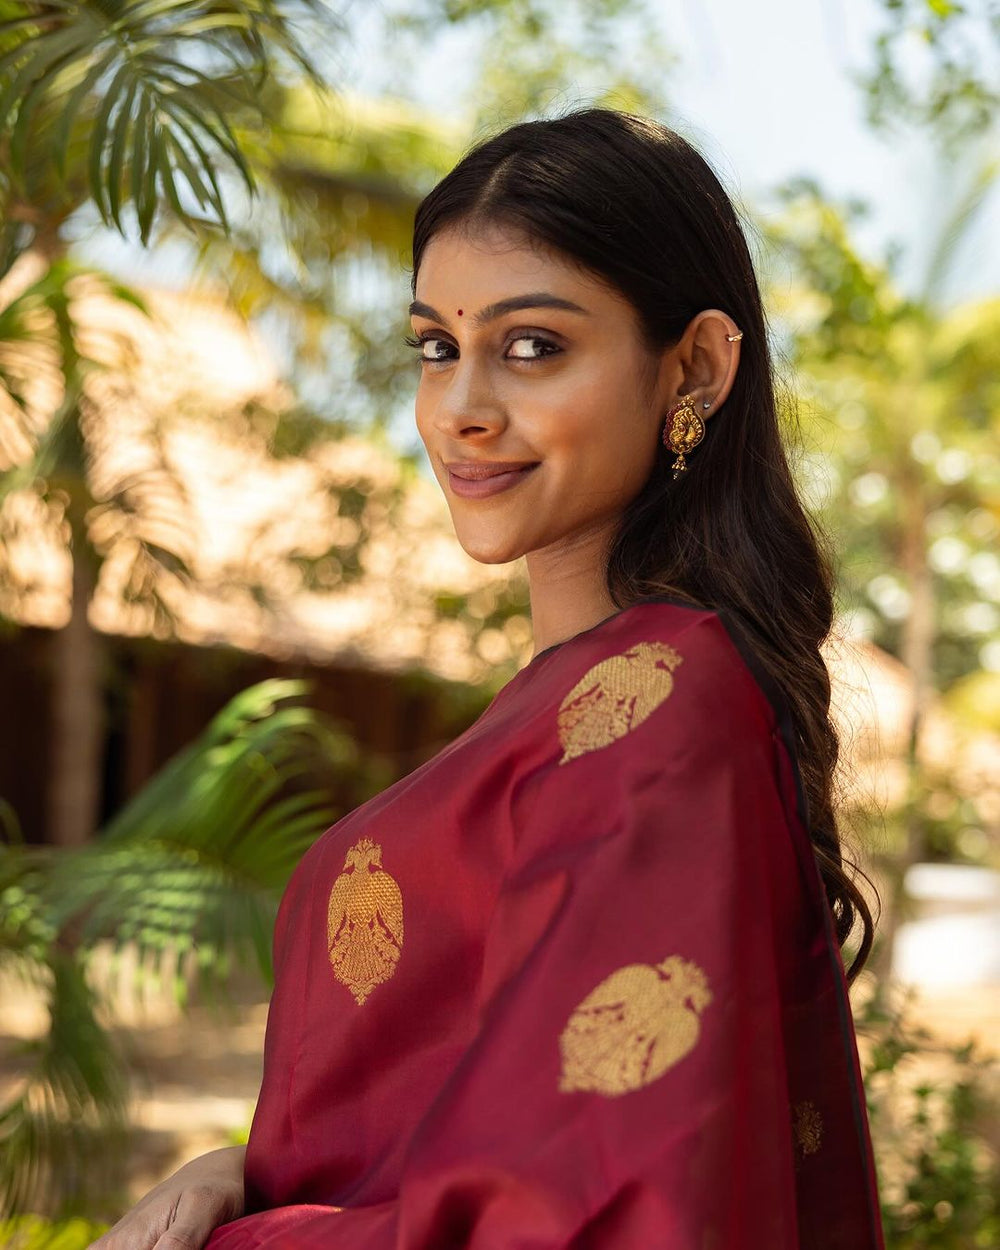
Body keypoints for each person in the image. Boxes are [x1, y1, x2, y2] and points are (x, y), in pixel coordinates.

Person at [90, 107, 886, 1249]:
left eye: (532, 346)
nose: (461, 409)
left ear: (697, 368)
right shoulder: (568, 710)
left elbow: (587, 1207)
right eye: (436, 347)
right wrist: (247, 1174)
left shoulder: (668, 705)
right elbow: (480, 1116)